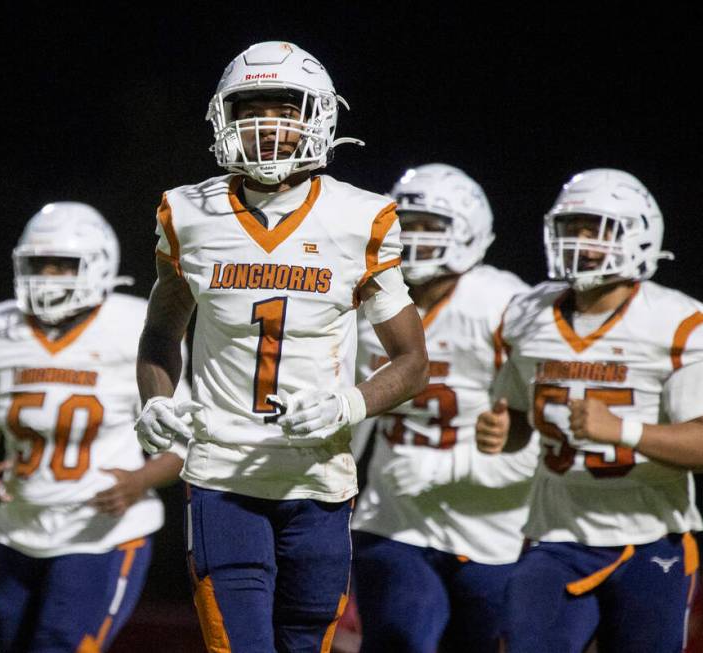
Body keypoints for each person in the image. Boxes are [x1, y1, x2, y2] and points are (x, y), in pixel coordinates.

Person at [135, 41, 429, 653]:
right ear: (224, 117)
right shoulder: (188, 212)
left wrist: (350, 404)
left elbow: (411, 360)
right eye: (252, 108)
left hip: (319, 478)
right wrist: (156, 400)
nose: (268, 124)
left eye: (284, 107)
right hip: (223, 471)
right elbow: (162, 333)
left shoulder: (361, 218)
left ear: (317, 115)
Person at [476, 168, 703, 652]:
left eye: (597, 228)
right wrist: (501, 430)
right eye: (573, 227)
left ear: (639, 235)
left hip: (650, 540)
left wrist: (624, 431)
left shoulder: (672, 320)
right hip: (555, 535)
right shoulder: (529, 314)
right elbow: (518, 420)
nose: (581, 240)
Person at [0, 202, 184, 653]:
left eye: (63, 265)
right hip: (18, 529)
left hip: (103, 535)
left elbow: (189, 436)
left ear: (98, 266)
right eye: (38, 264)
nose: (48, 276)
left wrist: (140, 480)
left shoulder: (137, 326)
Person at [350, 163, 534, 652]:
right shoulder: (370, 299)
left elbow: (552, 431)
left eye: (429, 226)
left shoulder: (502, 305)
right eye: (405, 225)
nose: (412, 238)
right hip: (394, 520)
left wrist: (449, 465)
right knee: (399, 639)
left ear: (470, 231)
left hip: (493, 530)